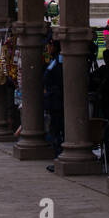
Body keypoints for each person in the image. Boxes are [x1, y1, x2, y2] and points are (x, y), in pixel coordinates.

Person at [43, 40, 65, 169]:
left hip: (57, 101)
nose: (48, 48)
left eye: (49, 45)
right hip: (56, 100)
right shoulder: (56, 60)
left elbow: (48, 77)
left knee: (56, 130)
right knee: (56, 130)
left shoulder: (58, 60)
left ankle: (59, 157)